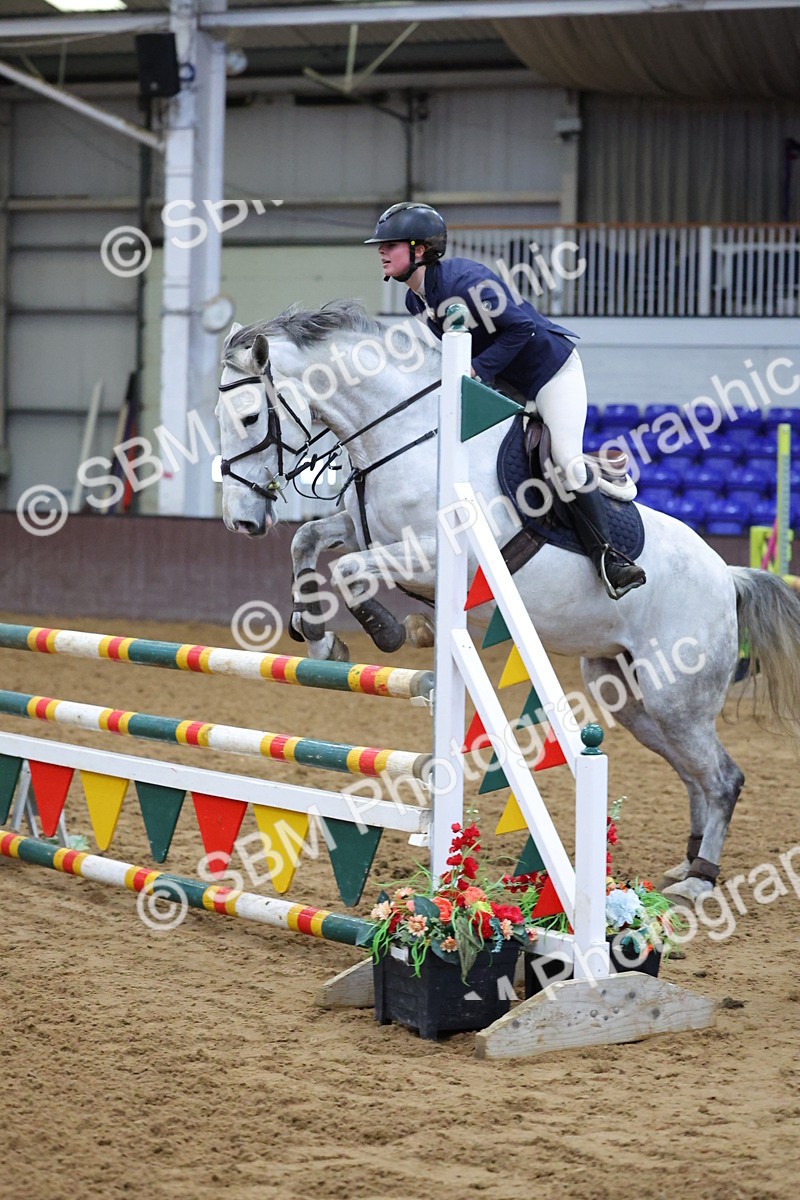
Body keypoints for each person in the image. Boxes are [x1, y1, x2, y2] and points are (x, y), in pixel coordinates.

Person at [365, 201, 646, 600]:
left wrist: (476, 369)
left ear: (420, 249)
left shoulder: (466, 281)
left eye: (390, 245)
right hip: (506, 384)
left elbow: (522, 328)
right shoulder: (416, 301)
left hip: (550, 373)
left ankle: (610, 557)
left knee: (565, 457)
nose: (381, 251)